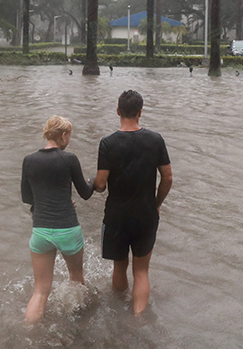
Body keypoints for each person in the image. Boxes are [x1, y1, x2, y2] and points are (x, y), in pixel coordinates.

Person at [93, 89, 172, 315]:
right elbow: (167, 177)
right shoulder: (155, 140)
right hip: (146, 214)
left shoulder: (107, 143)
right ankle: (138, 319)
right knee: (141, 271)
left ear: (118, 111)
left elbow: (100, 184)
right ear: (140, 112)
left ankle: (118, 317)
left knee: (120, 266)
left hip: (117, 215)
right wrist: (156, 204)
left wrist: (92, 182)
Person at [20, 115, 94, 322]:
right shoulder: (69, 159)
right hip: (68, 229)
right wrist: (93, 180)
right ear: (63, 135)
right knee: (77, 280)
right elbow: (85, 193)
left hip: (41, 232)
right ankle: (79, 324)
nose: (68, 140)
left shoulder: (29, 160)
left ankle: (29, 334)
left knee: (40, 292)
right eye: (68, 136)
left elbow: (27, 198)